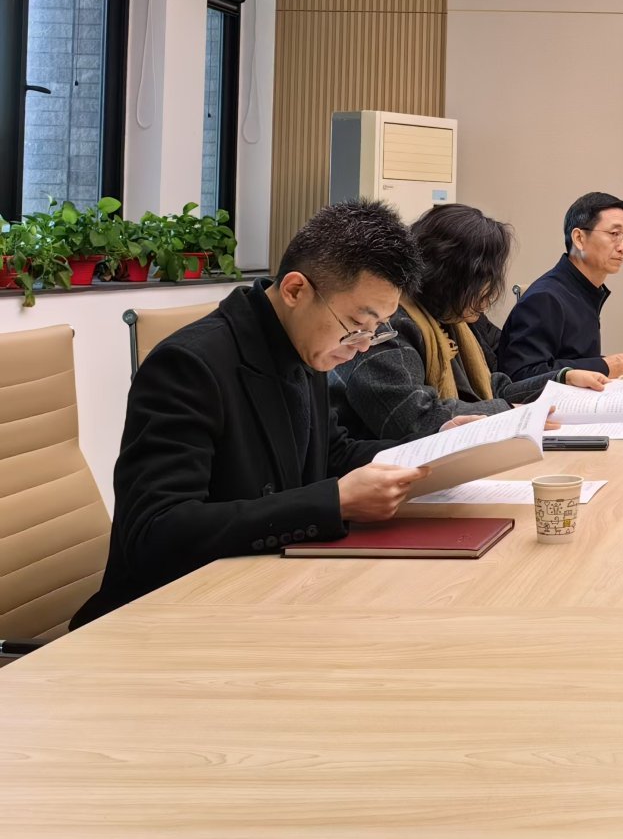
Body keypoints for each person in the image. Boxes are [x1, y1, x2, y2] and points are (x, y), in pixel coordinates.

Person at [74, 201, 448, 627]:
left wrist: (436, 449)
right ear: (295, 291)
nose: (363, 345)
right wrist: (334, 501)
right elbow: (157, 532)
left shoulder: (301, 342)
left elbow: (331, 454)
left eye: (376, 329)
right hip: (167, 617)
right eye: (356, 325)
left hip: (263, 592)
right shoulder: (188, 366)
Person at [331, 204, 610, 440]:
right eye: (485, 278)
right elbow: (415, 419)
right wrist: (509, 414)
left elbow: (495, 387)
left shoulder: (454, 319)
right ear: (452, 275)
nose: (490, 291)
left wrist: (561, 379)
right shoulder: (389, 326)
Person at [496, 192, 623, 381]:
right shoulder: (545, 298)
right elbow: (521, 376)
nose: (622, 247)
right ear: (579, 238)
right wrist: (603, 366)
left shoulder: (584, 290)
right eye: (614, 234)